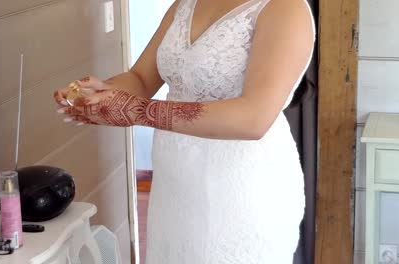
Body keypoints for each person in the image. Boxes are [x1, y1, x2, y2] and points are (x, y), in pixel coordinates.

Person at [54, 0, 315, 263]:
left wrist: (139, 111)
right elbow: (141, 78)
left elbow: (254, 118)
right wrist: (101, 94)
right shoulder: (186, 3)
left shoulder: (285, 8)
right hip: (175, 185)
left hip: (240, 190)